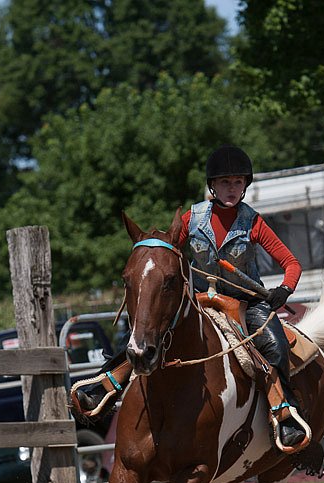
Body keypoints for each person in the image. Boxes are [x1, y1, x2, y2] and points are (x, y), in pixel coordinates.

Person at [74, 145, 309, 450]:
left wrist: (284, 290)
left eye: (238, 183)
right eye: (225, 182)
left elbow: (292, 263)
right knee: (149, 331)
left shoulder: (254, 222)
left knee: (275, 347)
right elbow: (169, 250)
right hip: (198, 299)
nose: (232, 189)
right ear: (213, 185)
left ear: (245, 186)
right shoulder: (191, 218)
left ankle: (285, 414)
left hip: (245, 303)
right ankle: (105, 386)